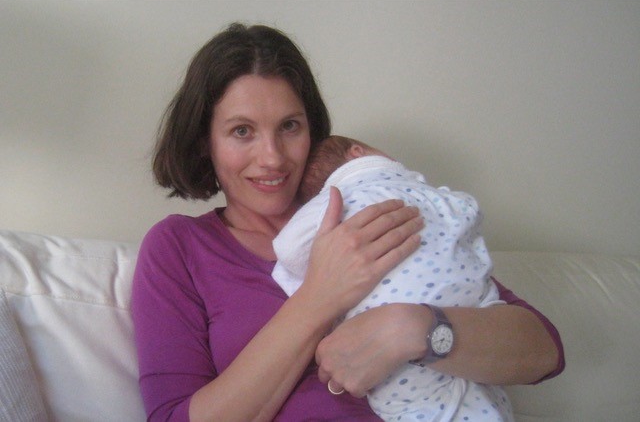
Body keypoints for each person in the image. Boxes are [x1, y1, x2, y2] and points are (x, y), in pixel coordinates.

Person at [131, 23, 564, 422]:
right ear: (204, 142)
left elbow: (543, 351)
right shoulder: (179, 248)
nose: (273, 157)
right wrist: (320, 295)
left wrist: (412, 329)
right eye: (242, 131)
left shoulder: (370, 205)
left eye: (290, 126)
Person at [272, 135, 513, 421]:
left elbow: (287, 248)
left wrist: (309, 272)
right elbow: (469, 211)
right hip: (469, 313)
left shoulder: (335, 206)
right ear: (357, 152)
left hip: (407, 376)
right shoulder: (421, 191)